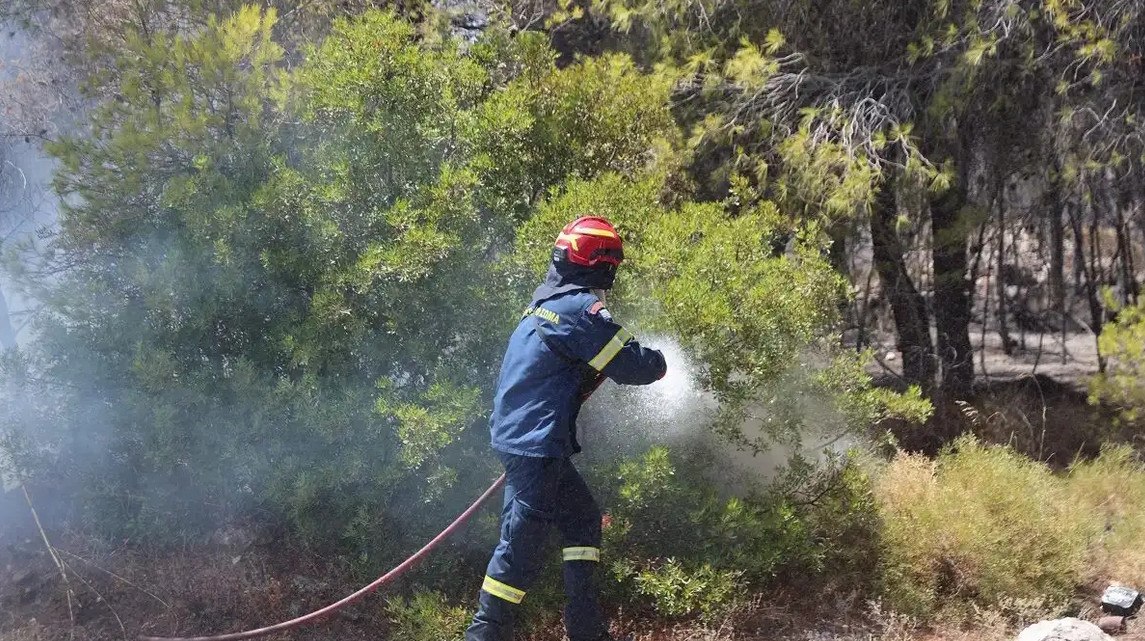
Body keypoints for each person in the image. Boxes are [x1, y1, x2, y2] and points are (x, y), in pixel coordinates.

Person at [465, 216, 667, 641]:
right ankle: (484, 635)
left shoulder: (546, 304)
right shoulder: (579, 310)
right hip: (535, 447)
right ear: (601, 264)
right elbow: (633, 367)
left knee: (581, 520)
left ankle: (586, 628)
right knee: (520, 546)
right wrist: (660, 362)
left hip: (529, 442)